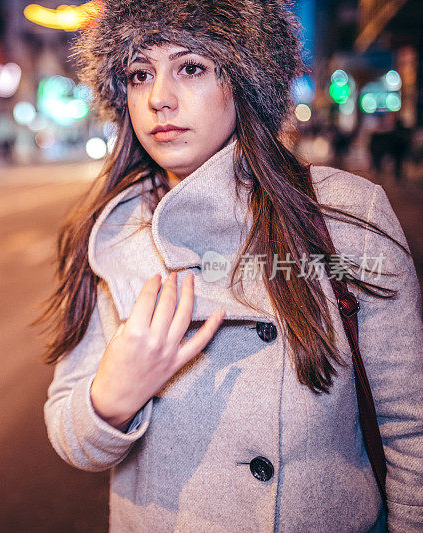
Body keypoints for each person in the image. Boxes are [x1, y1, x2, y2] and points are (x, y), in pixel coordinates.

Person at [36, 1, 423, 531]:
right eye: (139, 73)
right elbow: (69, 433)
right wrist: (111, 400)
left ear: (245, 80)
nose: (158, 99)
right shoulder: (111, 234)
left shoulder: (346, 216)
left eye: (190, 67)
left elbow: (411, 430)